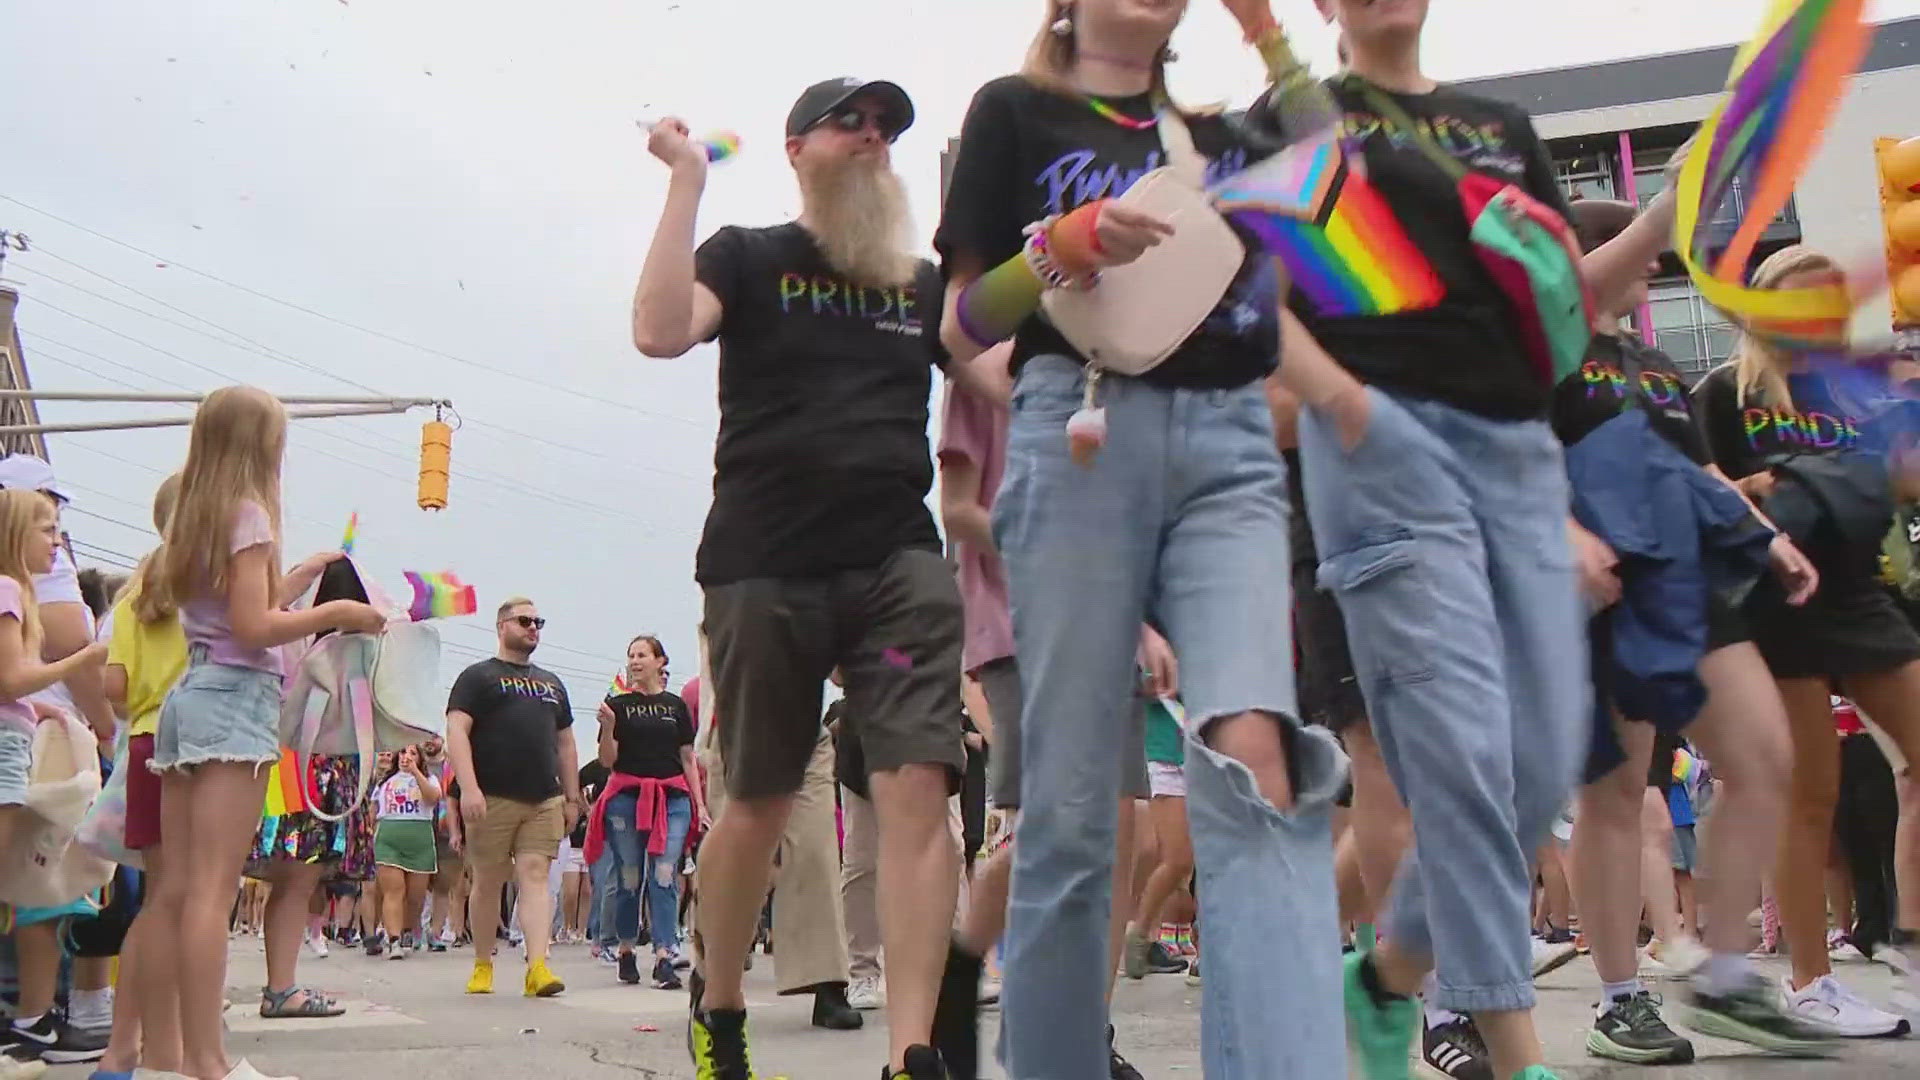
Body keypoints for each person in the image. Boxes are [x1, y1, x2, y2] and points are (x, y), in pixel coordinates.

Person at [936, 2, 1366, 1075]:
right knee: (1077, 810)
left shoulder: (1217, 137)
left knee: (1259, 764)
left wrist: (1267, 28)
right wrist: (1058, 246)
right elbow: (963, 322)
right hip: (1079, 427)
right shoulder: (1016, 113)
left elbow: (1326, 170)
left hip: (1229, 445)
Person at [1279, 1, 1688, 1076]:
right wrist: (1343, 400)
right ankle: (1514, 1051)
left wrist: (1660, 220)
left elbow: (1555, 316)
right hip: (1382, 460)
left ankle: (1385, 973)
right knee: (1456, 774)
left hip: (1510, 462)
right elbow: (1251, 297)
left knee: (1540, 761)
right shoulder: (1298, 118)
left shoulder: (1501, 125)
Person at [633, 63, 1006, 1078]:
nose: (873, 136)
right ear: (798, 149)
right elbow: (661, 331)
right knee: (756, 801)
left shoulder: (920, 285)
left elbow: (1001, 373)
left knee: (920, 786)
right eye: (849, 123)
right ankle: (718, 1010)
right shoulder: (749, 256)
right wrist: (685, 182)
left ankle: (913, 1052)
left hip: (894, 567)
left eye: (885, 125)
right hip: (764, 566)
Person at [1553, 200, 1834, 1063]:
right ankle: (1616, 999)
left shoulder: (1649, 356)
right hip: (1603, 588)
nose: (1654, 271)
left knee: (1763, 758)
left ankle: (1723, 976)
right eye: (1639, 255)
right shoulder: (1540, 348)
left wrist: (1766, 537)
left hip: (1689, 583)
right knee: (1615, 794)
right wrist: (1563, 537)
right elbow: (1506, 453)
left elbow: (1694, 463)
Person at [1692, 243, 1920, 1036]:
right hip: (1775, 594)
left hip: (1860, 588)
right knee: (1809, 791)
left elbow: (1900, 478)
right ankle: (1810, 981)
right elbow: (1701, 479)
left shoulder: (1852, 386)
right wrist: (1754, 489)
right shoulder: (1729, 390)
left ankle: (1908, 950)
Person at [138, 387, 385, 1080]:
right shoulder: (248, 516)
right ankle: (208, 1062)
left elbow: (231, 613)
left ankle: (165, 1054)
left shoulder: (192, 516)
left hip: (189, 697)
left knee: (179, 890)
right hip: (235, 700)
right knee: (213, 893)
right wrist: (334, 608)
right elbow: (253, 629)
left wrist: (293, 582)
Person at [0, 487, 111, 1077]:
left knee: (18, 887)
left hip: (15, 743)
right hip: (4, 752)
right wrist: (82, 662)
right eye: (45, 529)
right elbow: (13, 677)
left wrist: (41, 712)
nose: (57, 542)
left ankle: (30, 1017)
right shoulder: (9, 590)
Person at [92, 475, 187, 1080]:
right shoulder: (211, 589)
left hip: (146, 743)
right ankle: (167, 1048)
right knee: (191, 903)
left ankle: (123, 1050)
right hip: (199, 748)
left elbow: (115, 691)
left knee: (159, 901)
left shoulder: (134, 597)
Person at [443, 596, 580, 998]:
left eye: (539, 621)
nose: (533, 627)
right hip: (492, 797)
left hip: (544, 798)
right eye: (524, 620)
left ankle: (537, 966)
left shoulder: (552, 683)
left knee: (536, 875)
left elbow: (567, 743)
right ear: (502, 625)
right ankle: (483, 963)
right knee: (487, 882)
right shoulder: (478, 677)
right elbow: (456, 731)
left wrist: (572, 797)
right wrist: (468, 787)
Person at [588, 634, 704, 989]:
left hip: (672, 798)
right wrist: (607, 727)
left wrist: (699, 803)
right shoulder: (618, 705)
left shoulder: (675, 705)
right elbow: (608, 760)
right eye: (631, 655)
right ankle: (625, 948)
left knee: (665, 875)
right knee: (629, 877)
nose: (635, 661)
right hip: (626, 796)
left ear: (660, 661)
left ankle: (665, 956)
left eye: (642, 655)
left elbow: (688, 757)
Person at [373, 745, 442, 957]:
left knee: (415, 896)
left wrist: (416, 773)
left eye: (413, 753)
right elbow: (374, 809)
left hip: (419, 837)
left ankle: (407, 930)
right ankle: (393, 939)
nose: (406, 757)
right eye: (403, 752)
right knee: (394, 891)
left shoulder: (429, 780)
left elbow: (432, 798)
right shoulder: (385, 781)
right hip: (390, 837)